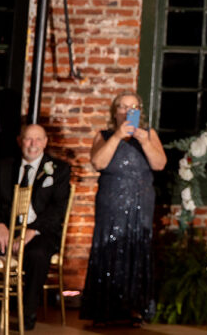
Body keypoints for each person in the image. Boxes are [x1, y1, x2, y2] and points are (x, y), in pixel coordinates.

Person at [81, 90, 167, 326]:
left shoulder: (149, 134)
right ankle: (104, 309)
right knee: (108, 249)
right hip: (112, 201)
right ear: (115, 111)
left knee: (137, 248)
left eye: (133, 107)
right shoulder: (104, 135)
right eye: (123, 106)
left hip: (141, 202)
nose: (128, 111)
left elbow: (159, 164)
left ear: (140, 111)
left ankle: (135, 307)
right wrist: (118, 136)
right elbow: (98, 162)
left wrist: (143, 140)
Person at [0, 123, 71, 331]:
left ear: (46, 142)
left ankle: (27, 312)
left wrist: (32, 231)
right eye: (29, 139)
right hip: (6, 230)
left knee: (37, 255)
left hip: (40, 231)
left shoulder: (59, 170)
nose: (33, 144)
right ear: (20, 141)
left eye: (38, 139)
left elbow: (58, 209)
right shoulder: (3, 166)